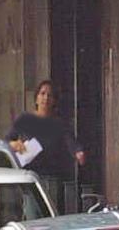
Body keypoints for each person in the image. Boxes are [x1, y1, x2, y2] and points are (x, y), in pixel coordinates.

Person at [5, 80, 84, 212]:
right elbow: (7, 141)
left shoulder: (60, 123)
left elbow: (71, 142)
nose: (45, 98)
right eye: (42, 94)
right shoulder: (25, 119)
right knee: (32, 212)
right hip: (30, 176)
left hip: (52, 178)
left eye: (50, 95)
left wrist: (78, 152)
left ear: (54, 100)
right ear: (36, 98)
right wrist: (14, 144)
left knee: (51, 211)